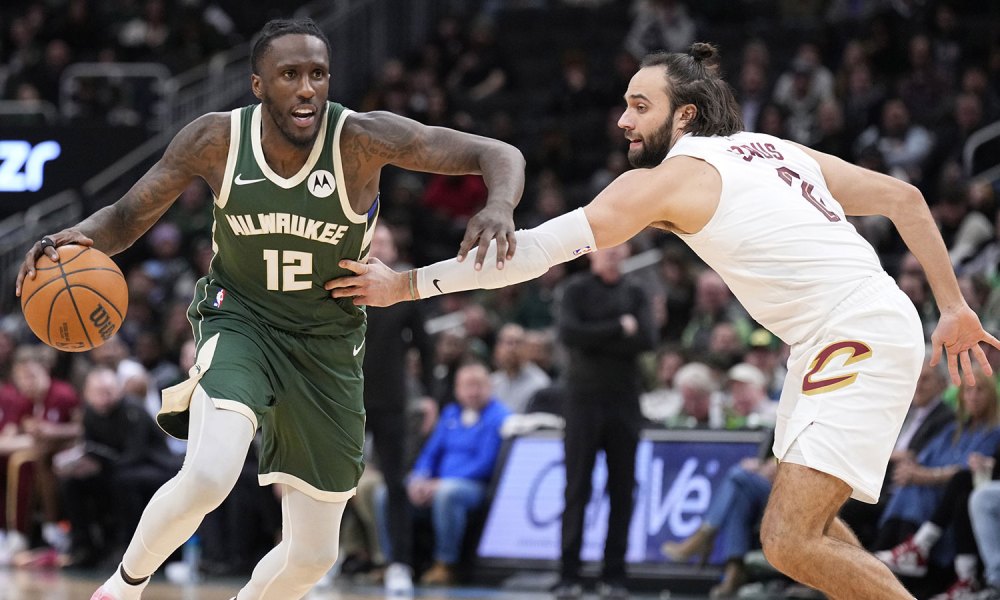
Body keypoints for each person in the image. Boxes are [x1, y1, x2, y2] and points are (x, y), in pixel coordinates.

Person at [328, 43, 1000, 599]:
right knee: (808, 529)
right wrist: (951, 305)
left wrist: (407, 285)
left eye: (638, 106)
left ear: (683, 117)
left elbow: (528, 252)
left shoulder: (668, 180)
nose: (623, 119)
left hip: (853, 332)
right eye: (624, 103)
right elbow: (906, 198)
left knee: (786, 542)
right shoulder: (772, 148)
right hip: (842, 331)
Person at [15, 17, 524, 600]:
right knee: (208, 474)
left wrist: (500, 206)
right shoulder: (216, 139)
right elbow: (129, 217)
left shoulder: (360, 139)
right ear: (258, 85)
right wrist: (69, 237)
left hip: (327, 342)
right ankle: (123, 587)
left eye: (318, 75)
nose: (307, 88)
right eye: (290, 75)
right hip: (242, 321)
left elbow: (498, 152)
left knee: (311, 556)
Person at [553, 243, 657, 600]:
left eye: (619, 247)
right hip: (582, 401)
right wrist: (618, 328)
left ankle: (615, 575)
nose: (612, 253)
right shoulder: (575, 289)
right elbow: (569, 333)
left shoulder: (636, 291)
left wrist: (595, 336)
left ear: (628, 252)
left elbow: (647, 339)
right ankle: (569, 574)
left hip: (624, 402)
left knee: (622, 489)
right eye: (605, 248)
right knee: (577, 487)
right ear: (591, 254)